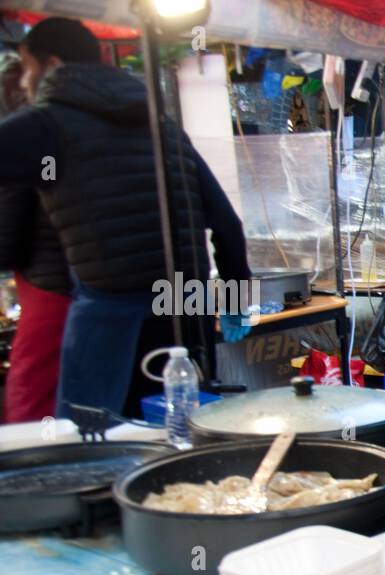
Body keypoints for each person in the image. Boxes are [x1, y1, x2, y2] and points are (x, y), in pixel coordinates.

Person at [0, 17, 250, 418]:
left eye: (27, 68)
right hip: (185, 303)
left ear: (49, 65)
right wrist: (237, 300)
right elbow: (225, 223)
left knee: (95, 438)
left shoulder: (47, 124)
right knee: (184, 429)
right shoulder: (163, 127)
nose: (26, 81)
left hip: (113, 309)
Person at [0, 51, 71, 422]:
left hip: (49, 283)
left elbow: (8, 237)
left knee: (34, 393)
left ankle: (39, 471)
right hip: (77, 279)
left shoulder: (22, 139)